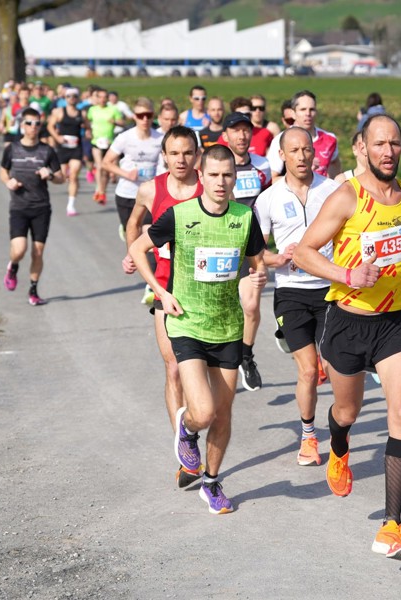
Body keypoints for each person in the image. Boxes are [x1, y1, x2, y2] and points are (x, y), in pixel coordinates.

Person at [294, 114, 401, 562]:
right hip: (348, 321)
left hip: (397, 321)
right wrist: (347, 274)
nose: (388, 151)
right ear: (363, 148)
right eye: (380, 144)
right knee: (347, 409)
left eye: (395, 143)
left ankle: (392, 525)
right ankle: (338, 447)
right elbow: (303, 252)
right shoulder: (346, 198)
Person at [127, 144, 267, 514]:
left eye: (228, 176)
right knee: (203, 413)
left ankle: (211, 482)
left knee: (223, 413)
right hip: (187, 323)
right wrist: (160, 292)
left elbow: (256, 261)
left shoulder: (245, 218)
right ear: (201, 177)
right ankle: (187, 430)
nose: (221, 183)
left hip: (228, 327)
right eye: (214, 175)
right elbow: (139, 249)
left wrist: (260, 276)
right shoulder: (179, 215)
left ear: (235, 178)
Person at [122, 125, 204, 488]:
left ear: (196, 155)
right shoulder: (150, 189)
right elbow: (134, 222)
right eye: (174, 153)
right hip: (166, 288)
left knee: (207, 379)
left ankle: (195, 424)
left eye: (187, 153)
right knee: (173, 368)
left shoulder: (210, 187)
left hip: (205, 290)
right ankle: (186, 449)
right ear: (165, 155)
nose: (181, 160)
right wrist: (133, 252)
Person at [255, 126, 341, 465]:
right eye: (295, 151)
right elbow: (256, 251)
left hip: (329, 290)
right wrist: (277, 258)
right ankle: (308, 437)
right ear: (283, 156)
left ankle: (339, 434)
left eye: (307, 150)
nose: (303, 156)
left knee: (336, 369)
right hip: (291, 292)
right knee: (308, 370)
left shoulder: (333, 191)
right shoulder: (269, 198)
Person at [221, 111, 273, 391]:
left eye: (246, 130)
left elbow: (269, 200)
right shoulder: (217, 163)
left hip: (251, 246)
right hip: (223, 245)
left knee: (251, 306)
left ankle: (246, 355)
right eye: (235, 131)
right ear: (226, 135)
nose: (241, 136)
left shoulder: (263, 165)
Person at [0, 107, 64, 306]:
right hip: (19, 206)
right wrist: (7, 181)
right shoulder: (12, 149)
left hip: (41, 207)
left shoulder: (47, 150)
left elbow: (61, 178)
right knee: (19, 249)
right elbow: (3, 171)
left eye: (37, 124)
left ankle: (33, 290)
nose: (33, 127)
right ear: (21, 125)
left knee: (37, 252)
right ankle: (13, 265)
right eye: (29, 123)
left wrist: (50, 175)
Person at [102, 97, 164, 236]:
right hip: (127, 193)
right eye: (140, 116)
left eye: (148, 115)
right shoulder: (125, 137)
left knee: (147, 232)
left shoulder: (160, 138)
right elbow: (106, 162)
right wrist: (126, 174)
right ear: (134, 117)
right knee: (132, 235)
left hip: (150, 194)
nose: (145, 119)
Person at [266, 90, 340, 178]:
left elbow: (334, 164)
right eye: (303, 109)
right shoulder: (281, 139)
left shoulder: (330, 138)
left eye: (312, 109)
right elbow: (272, 179)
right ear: (293, 114)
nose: (308, 114)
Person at [48, 87, 86, 216]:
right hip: (63, 148)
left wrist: (88, 132)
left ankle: (71, 205)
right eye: (69, 96)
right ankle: (70, 181)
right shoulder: (59, 112)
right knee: (63, 177)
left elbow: (88, 126)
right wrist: (57, 137)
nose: (72, 98)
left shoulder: (82, 113)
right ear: (65, 98)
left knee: (74, 174)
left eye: (74, 96)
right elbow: (50, 126)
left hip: (76, 148)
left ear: (78, 98)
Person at [87, 87, 125, 205]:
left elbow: (122, 123)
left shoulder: (113, 109)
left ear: (107, 98)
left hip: (109, 143)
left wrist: (114, 122)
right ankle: (99, 190)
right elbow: (87, 122)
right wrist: (88, 130)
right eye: (100, 97)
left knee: (106, 169)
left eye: (105, 97)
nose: (103, 99)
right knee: (99, 166)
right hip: (96, 142)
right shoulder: (92, 109)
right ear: (96, 98)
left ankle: (102, 189)